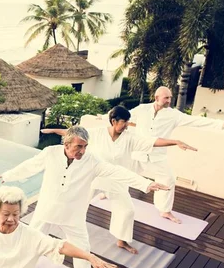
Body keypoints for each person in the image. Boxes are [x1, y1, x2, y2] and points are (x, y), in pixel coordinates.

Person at [0, 126, 168, 268]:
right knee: (30, 242)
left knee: (83, 250)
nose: (83, 150)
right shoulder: (50, 153)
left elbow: (116, 172)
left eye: (85, 146)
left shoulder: (91, 161)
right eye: (79, 146)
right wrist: (9, 175)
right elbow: (30, 166)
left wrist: (146, 184)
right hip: (47, 209)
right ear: (67, 143)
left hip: (73, 215)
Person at [41, 106, 197, 254]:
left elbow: (153, 141)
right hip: (93, 176)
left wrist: (175, 142)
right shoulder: (97, 133)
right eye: (124, 122)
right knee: (78, 205)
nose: (126, 126)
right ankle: (65, 230)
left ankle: (121, 241)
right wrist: (53, 130)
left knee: (127, 210)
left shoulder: (130, 138)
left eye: (128, 122)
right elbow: (73, 135)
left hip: (116, 179)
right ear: (114, 121)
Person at [129, 86, 224, 223]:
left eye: (170, 97)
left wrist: (222, 124)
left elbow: (196, 121)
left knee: (168, 180)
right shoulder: (142, 109)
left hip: (157, 155)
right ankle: (107, 192)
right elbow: (124, 115)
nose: (169, 100)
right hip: (137, 152)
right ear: (156, 98)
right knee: (122, 171)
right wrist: (103, 117)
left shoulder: (174, 115)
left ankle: (165, 211)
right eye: (166, 98)